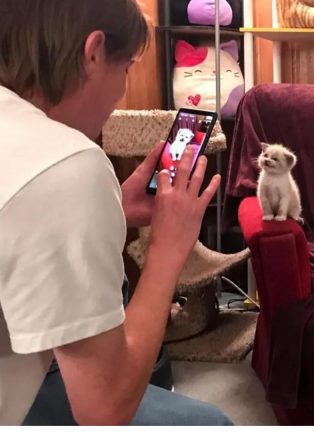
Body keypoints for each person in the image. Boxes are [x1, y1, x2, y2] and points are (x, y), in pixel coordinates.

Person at [0, 0, 232, 425]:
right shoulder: (64, 163)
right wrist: (167, 248)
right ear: (93, 53)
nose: (123, 89)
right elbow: (105, 412)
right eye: (125, 68)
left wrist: (113, 211)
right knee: (212, 423)